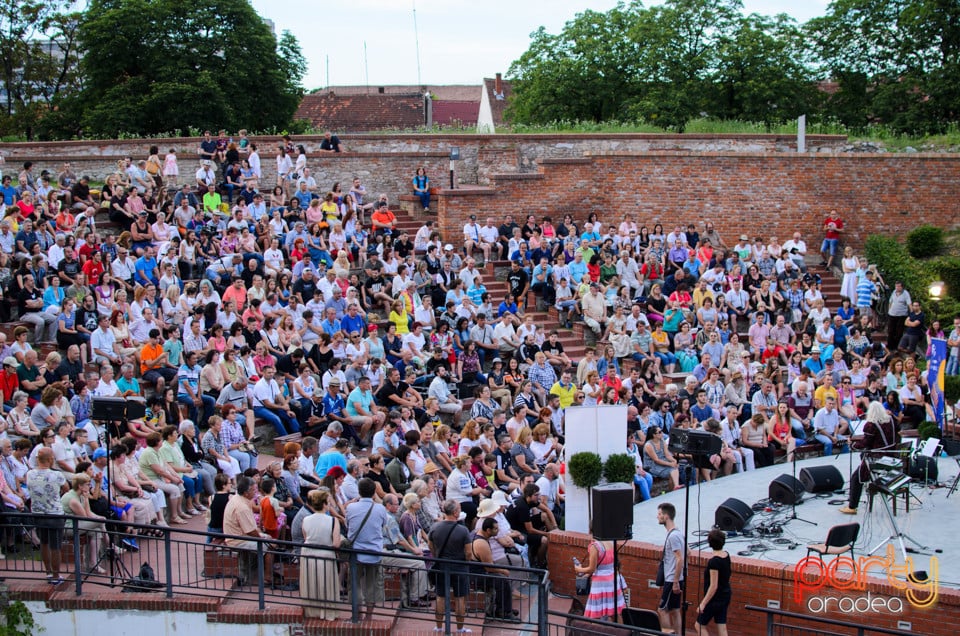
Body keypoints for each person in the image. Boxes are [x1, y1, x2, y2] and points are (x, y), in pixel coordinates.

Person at [344, 478, 390, 621]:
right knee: (372, 584)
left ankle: (357, 614)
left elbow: (348, 524)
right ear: (374, 492)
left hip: (356, 551)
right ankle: (369, 616)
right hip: (374, 551)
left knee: (354, 584)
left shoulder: (351, 508)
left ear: (359, 491)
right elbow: (384, 524)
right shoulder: (380, 508)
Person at [839, 402, 896, 515]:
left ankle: (852, 506)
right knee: (863, 457)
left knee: (856, 477)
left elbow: (865, 443)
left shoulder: (871, 425)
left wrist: (852, 445)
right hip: (891, 455)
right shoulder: (890, 421)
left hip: (877, 459)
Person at [429, 498, 474, 634]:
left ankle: (439, 627)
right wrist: (466, 561)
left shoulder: (435, 527)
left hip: (442, 565)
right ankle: (460, 628)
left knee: (440, 596)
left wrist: (438, 556)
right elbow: (468, 552)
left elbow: (431, 546)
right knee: (460, 598)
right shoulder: (463, 530)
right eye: (459, 510)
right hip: (459, 566)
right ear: (455, 512)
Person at [27, 447, 67, 585]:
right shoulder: (57, 475)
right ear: (50, 459)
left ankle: (48, 572)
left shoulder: (30, 474)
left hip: (38, 513)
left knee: (44, 543)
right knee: (55, 546)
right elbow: (66, 488)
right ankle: (56, 575)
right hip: (55, 514)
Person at [300, 489, 340, 620]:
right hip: (326, 554)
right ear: (323, 504)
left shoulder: (305, 519)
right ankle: (327, 612)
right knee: (325, 584)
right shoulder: (333, 521)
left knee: (311, 583)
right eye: (328, 502)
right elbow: (336, 543)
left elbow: (306, 537)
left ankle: (312, 611)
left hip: (308, 554)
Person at [574, 531, 627, 622]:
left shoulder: (595, 546)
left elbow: (592, 568)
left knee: (595, 615)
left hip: (600, 584)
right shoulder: (611, 543)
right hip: (614, 580)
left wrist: (579, 569)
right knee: (616, 613)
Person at [696, 529, 732, 636]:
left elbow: (713, 586)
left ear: (710, 543)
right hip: (725, 595)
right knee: (722, 626)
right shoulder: (726, 555)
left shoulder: (714, 562)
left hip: (715, 599)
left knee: (699, 625)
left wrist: (703, 604)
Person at [657, 502, 684, 635]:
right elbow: (688, 553)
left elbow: (680, 558)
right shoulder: (678, 533)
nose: (658, 517)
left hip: (672, 579)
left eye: (660, 514)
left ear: (666, 516)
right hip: (677, 578)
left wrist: (675, 581)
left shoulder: (673, 536)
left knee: (662, 610)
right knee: (675, 610)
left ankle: (667, 633)